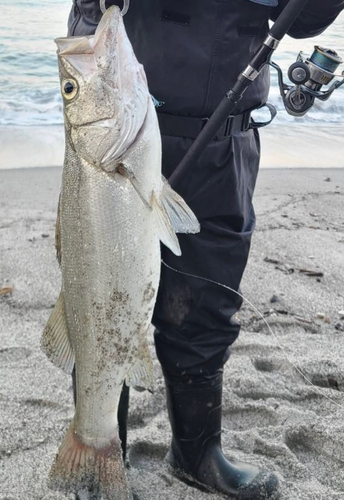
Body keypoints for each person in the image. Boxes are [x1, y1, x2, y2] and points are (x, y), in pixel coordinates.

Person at [68, 1, 344, 498]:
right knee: (102, 297)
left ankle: (196, 452)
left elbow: (301, 17)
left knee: (207, 300)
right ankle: (102, 449)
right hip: (116, 125)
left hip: (226, 132)